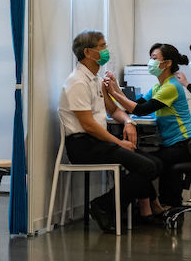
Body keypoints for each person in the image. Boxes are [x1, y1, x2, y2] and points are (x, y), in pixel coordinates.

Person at [57, 31, 160, 233]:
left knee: (155, 164)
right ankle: (104, 206)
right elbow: (87, 124)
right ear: (88, 52)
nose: (106, 51)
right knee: (147, 167)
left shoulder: (94, 80)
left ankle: (109, 206)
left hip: (98, 142)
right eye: (102, 46)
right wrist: (118, 142)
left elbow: (113, 110)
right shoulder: (77, 82)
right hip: (83, 145)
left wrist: (129, 121)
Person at [104, 43, 191, 211]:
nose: (150, 62)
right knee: (145, 162)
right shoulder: (159, 86)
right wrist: (115, 89)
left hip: (185, 144)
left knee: (147, 163)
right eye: (150, 58)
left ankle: (149, 205)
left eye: (154, 58)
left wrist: (114, 93)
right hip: (174, 144)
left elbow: (140, 110)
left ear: (167, 63)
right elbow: (137, 104)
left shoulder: (171, 87)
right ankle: (150, 205)